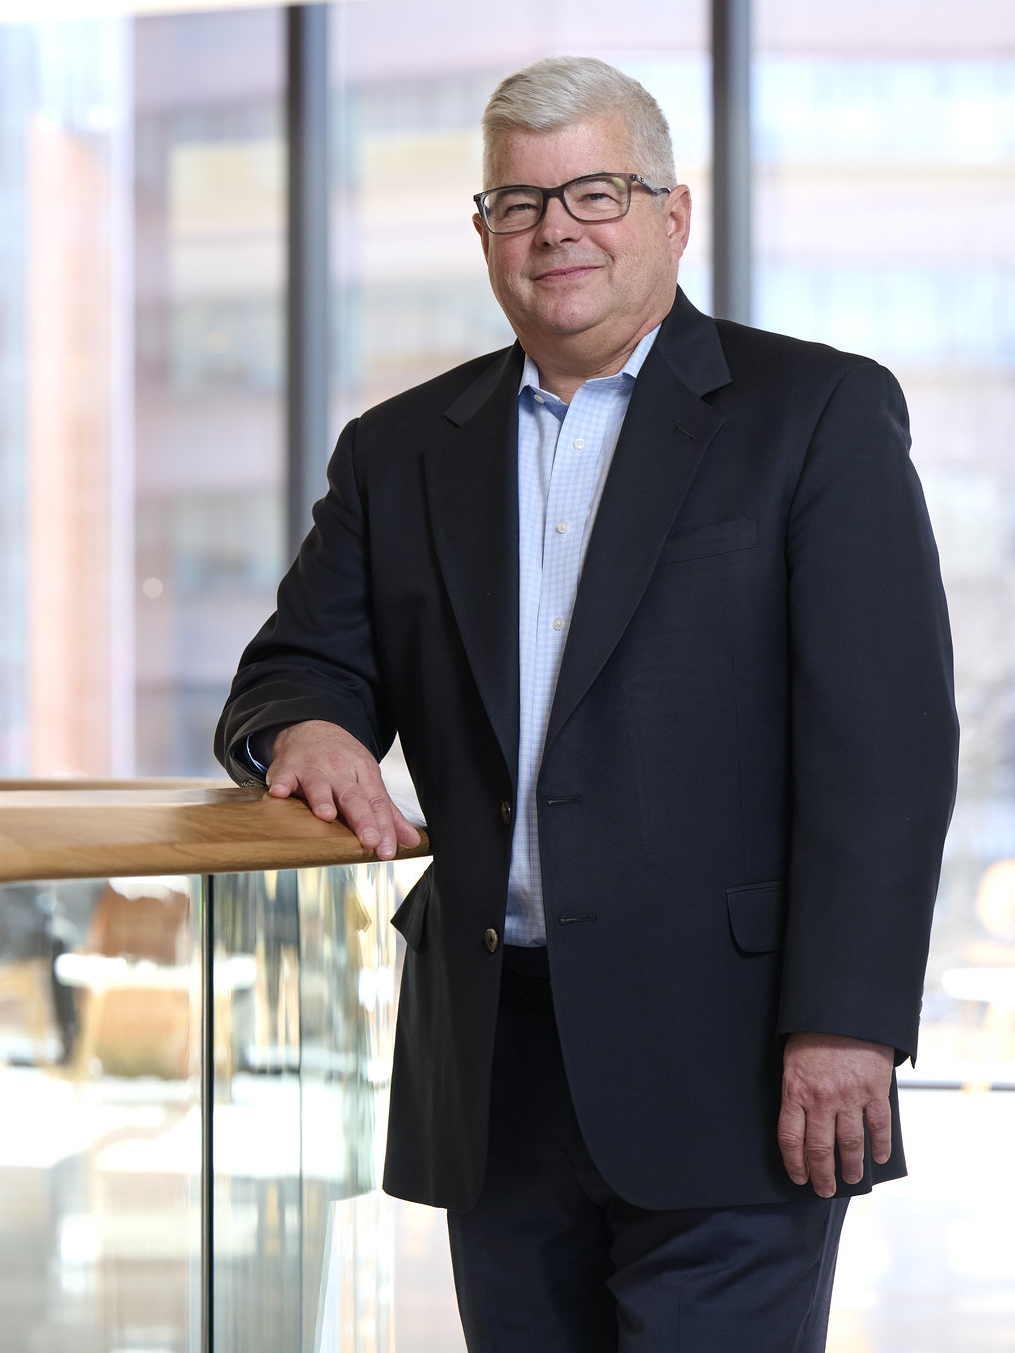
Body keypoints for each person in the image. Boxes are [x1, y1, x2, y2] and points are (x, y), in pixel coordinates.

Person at [216, 56, 959, 1353]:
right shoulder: (399, 452)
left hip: (736, 1066)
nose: (556, 227)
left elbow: (885, 745)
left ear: (673, 216)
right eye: (519, 201)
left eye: (595, 192)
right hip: (493, 1073)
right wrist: (311, 727)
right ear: (485, 235)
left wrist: (848, 1017)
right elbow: (297, 662)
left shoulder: (817, 414)